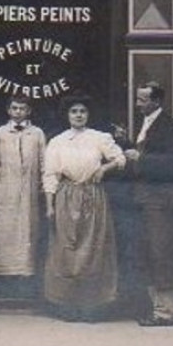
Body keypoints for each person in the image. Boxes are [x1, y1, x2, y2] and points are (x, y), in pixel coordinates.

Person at [41, 93, 128, 321]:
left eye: (82, 111)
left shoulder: (99, 137)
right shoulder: (57, 141)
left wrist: (103, 169)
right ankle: (67, 305)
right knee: (67, 248)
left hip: (93, 195)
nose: (78, 115)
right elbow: (50, 175)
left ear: (88, 115)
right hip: (66, 196)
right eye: (74, 111)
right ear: (67, 115)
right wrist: (50, 206)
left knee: (92, 248)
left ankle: (91, 305)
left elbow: (120, 158)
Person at [120, 81, 173, 326]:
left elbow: (171, 162)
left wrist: (138, 157)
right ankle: (158, 308)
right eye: (137, 99)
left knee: (160, 251)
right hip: (146, 197)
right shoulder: (148, 123)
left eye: (142, 100)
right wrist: (129, 145)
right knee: (150, 251)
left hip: (160, 199)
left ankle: (165, 313)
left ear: (156, 102)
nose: (137, 104)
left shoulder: (169, 126)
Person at [0, 94, 45, 293]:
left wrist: (42, 185)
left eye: (22, 108)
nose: (18, 112)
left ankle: (24, 277)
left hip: (29, 191)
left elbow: (44, 162)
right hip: (6, 191)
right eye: (15, 108)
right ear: (9, 110)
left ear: (29, 111)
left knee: (27, 230)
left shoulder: (37, 134)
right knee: (4, 231)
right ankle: (3, 275)